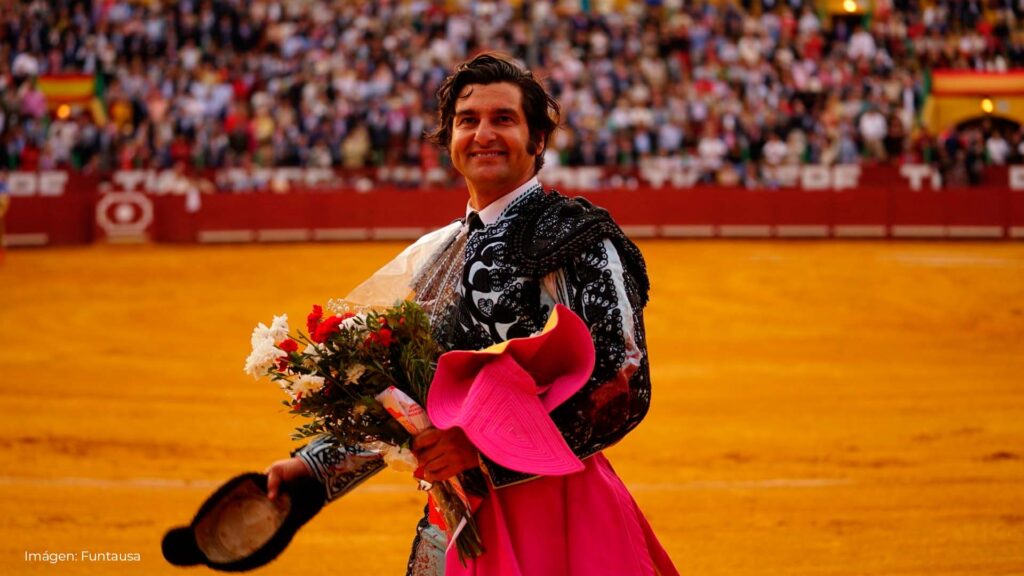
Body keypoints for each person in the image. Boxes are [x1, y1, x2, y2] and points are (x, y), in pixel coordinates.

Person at [265, 52, 677, 576]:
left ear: (537, 140)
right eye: (468, 121)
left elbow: (623, 383)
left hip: (557, 510)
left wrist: (485, 450)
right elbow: (405, 401)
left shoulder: (575, 237)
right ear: (450, 140)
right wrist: (314, 469)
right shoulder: (437, 255)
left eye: (503, 119)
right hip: (455, 519)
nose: (484, 134)